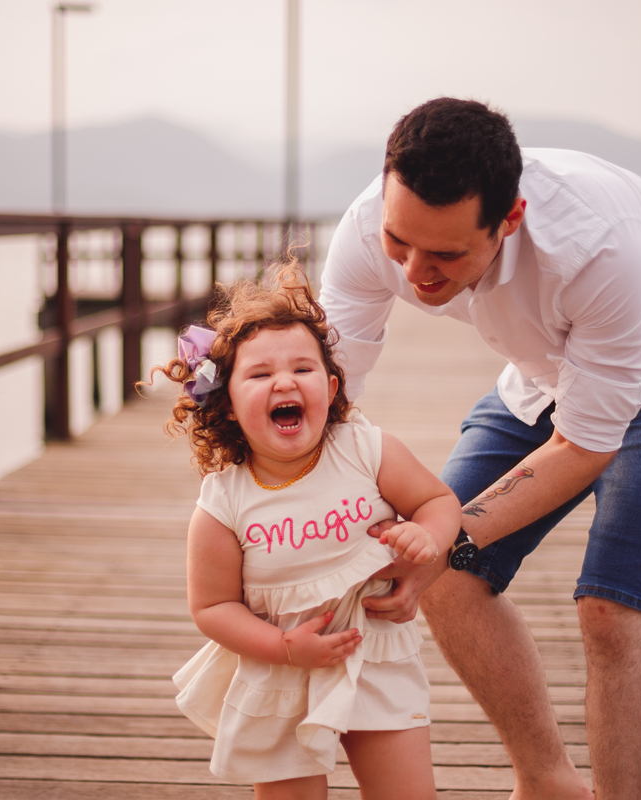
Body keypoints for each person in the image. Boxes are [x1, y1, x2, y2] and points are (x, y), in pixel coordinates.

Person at [318, 97, 641, 800]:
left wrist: (441, 532)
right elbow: (330, 393)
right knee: (448, 574)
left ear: (509, 219)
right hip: (545, 371)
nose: (414, 272)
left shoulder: (596, 243)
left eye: (446, 254)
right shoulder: (369, 226)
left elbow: (585, 442)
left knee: (612, 607)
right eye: (401, 243)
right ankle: (547, 782)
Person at [150, 264, 460, 800]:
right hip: (279, 666)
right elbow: (212, 607)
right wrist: (283, 647)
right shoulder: (224, 502)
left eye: (302, 368)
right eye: (259, 375)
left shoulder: (364, 449)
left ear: (331, 386)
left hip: (372, 649)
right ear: (227, 405)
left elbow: (438, 501)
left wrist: (428, 537)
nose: (284, 382)